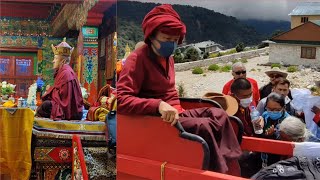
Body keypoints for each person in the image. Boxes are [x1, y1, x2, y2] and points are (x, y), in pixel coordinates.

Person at [117, 4, 241, 174]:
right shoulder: (136, 60)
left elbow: (170, 92)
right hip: (158, 121)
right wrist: (158, 105)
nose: (171, 44)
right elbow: (122, 100)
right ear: (151, 36)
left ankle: (231, 159)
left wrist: (173, 106)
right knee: (203, 126)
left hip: (178, 113)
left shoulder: (168, 58)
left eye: (175, 40)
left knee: (218, 114)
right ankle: (218, 172)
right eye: (167, 39)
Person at [36, 38, 83, 120]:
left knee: (45, 106)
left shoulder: (66, 73)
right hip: (65, 106)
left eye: (55, 58)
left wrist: (50, 91)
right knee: (43, 106)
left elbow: (65, 100)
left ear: (63, 61)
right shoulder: (62, 71)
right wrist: (51, 91)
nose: (53, 61)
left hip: (69, 111)